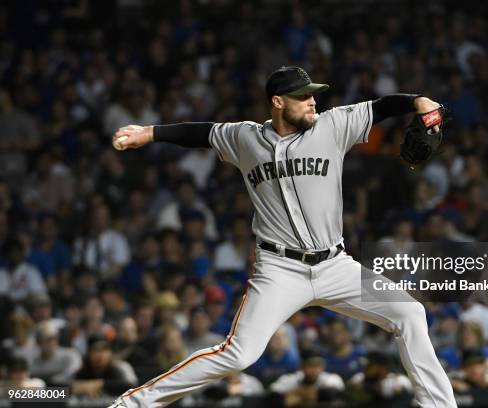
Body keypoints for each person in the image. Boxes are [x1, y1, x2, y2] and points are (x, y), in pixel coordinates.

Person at [108, 66, 456, 408]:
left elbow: (381, 107)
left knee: (409, 313)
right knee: (239, 355)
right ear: (277, 101)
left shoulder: (332, 126)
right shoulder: (244, 137)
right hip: (279, 270)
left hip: (335, 265)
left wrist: (418, 101)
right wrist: (150, 132)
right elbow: (201, 132)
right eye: (302, 97)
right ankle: (133, 405)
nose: (312, 103)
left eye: (312, 96)